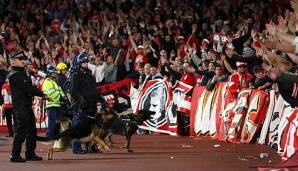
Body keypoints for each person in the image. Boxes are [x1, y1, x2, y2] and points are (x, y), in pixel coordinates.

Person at [8, 51, 45, 162]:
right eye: (20, 59)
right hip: (21, 106)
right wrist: (43, 94)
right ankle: (14, 155)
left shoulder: (21, 73)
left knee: (32, 130)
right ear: (14, 62)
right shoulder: (16, 75)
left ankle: (30, 153)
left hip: (25, 105)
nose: (23, 60)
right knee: (22, 130)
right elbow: (28, 88)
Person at [68, 53, 100, 153]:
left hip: (91, 105)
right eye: (84, 62)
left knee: (89, 127)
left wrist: (100, 98)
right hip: (80, 106)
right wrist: (82, 101)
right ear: (79, 63)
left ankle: (89, 147)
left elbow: (94, 89)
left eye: (87, 62)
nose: (86, 64)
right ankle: (76, 148)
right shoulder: (75, 75)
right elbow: (74, 91)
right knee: (78, 127)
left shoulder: (89, 74)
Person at [42, 65, 65, 138]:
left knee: (56, 122)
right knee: (52, 121)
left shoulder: (54, 82)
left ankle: (54, 135)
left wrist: (64, 97)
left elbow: (60, 91)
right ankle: (49, 136)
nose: (56, 74)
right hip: (51, 104)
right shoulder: (47, 81)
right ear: (50, 73)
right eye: (54, 73)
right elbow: (50, 93)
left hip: (56, 104)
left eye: (55, 72)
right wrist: (60, 97)